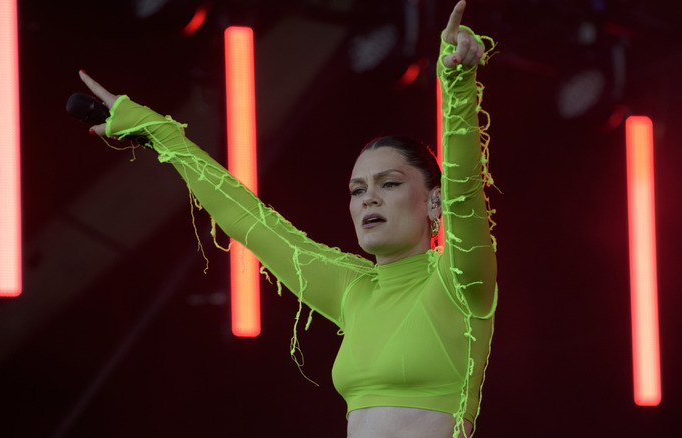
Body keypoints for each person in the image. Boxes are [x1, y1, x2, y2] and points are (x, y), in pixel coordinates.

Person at [79, 1, 496, 436]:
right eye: (357, 190)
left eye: (389, 183)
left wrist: (457, 83)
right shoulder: (353, 289)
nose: (368, 198)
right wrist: (157, 132)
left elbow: (465, 186)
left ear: (434, 202)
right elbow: (250, 220)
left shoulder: (460, 282)